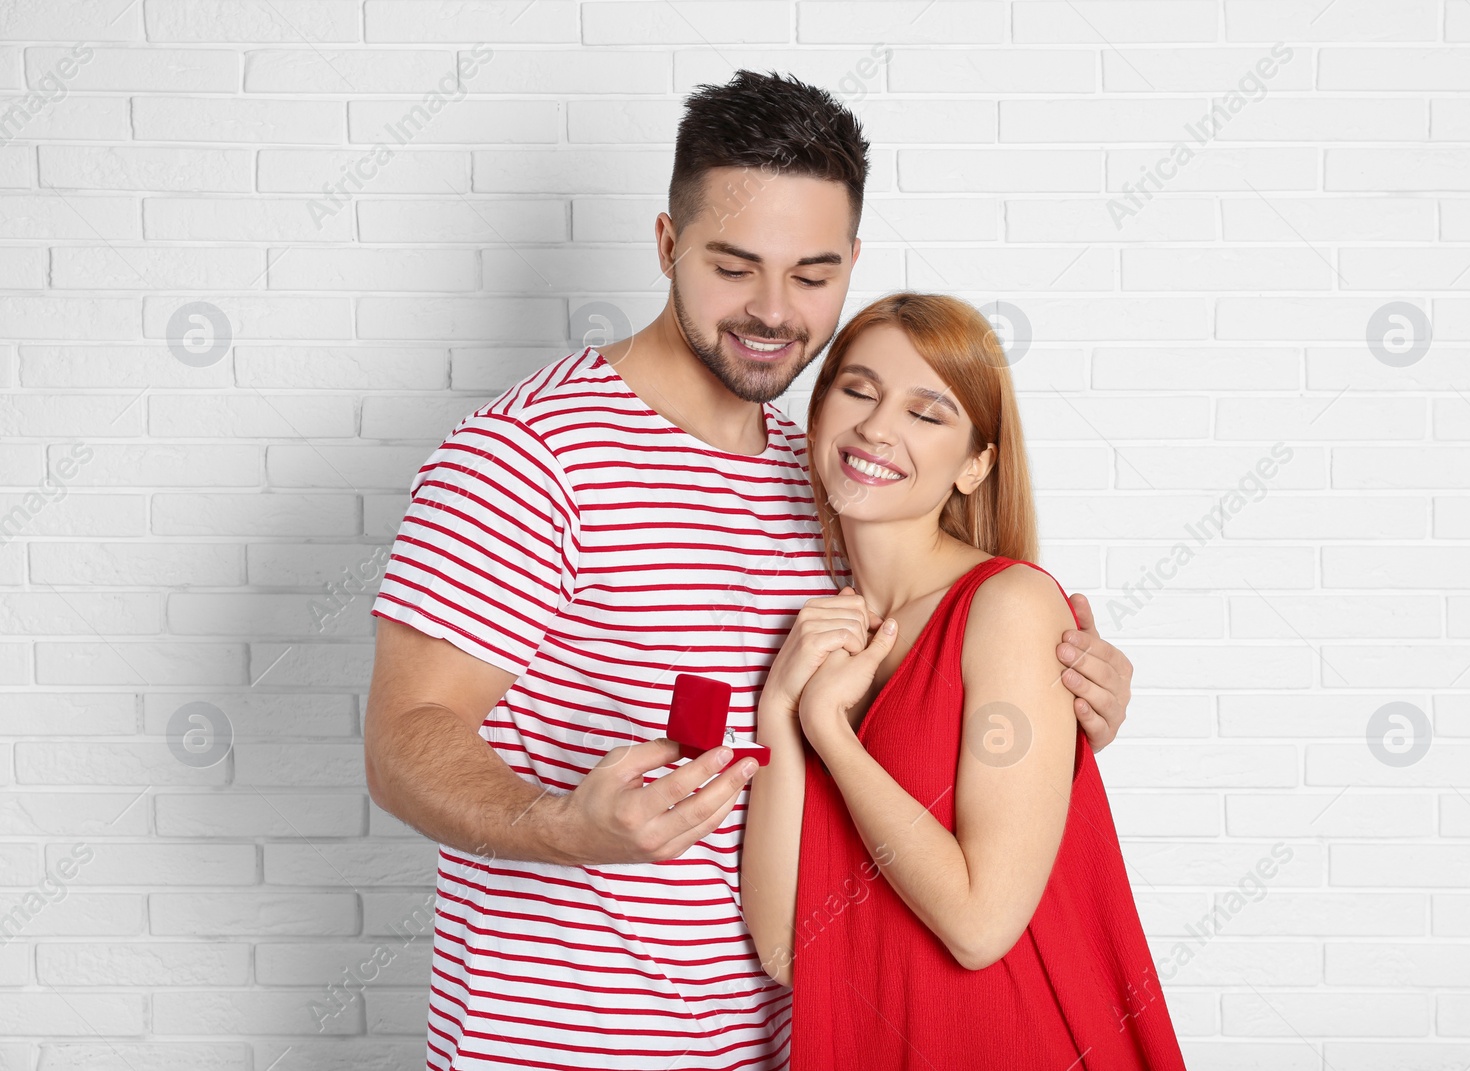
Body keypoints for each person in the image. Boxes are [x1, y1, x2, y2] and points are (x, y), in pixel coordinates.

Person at [364, 71, 1137, 1070]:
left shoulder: (829, 479)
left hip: (794, 1042)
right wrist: (559, 824)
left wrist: (1055, 714)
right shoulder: (526, 457)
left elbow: (914, 736)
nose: (773, 312)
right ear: (666, 245)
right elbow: (404, 739)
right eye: (734, 266)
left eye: (812, 276)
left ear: (852, 263)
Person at [741, 293, 1186, 1069]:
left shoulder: (1008, 606)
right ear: (815, 417)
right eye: (858, 389)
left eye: (928, 412)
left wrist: (832, 737)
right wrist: (782, 709)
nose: (878, 427)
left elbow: (981, 926)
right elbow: (785, 950)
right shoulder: (819, 644)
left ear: (977, 463)